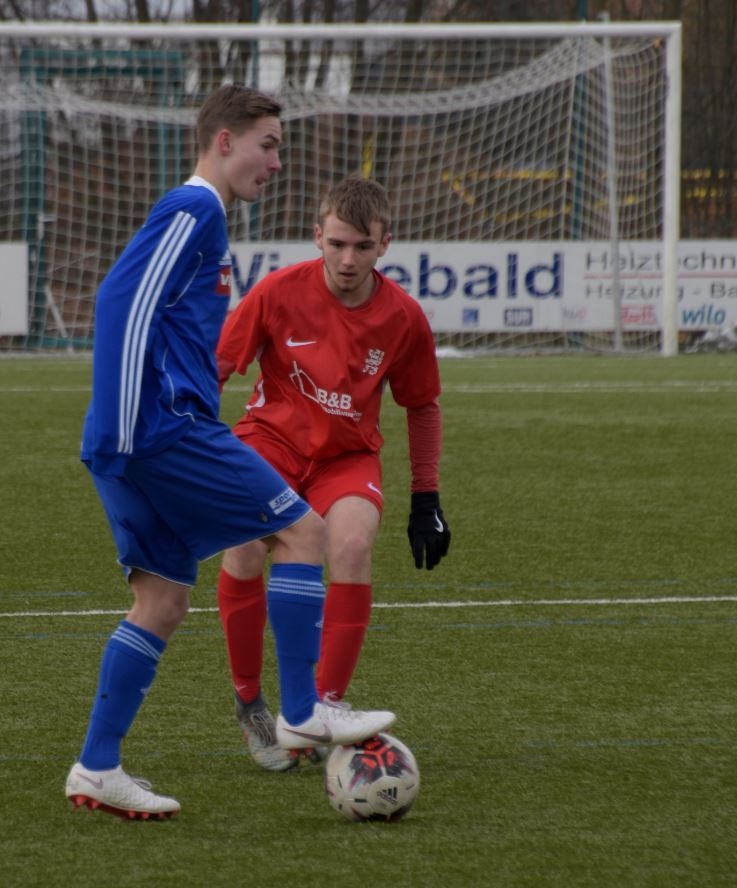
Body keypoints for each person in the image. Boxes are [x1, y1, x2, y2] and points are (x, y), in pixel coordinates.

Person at [65, 87, 395, 821]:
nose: (277, 162)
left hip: (134, 433)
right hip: (158, 429)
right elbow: (122, 300)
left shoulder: (200, 216)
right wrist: (127, 427)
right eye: (268, 144)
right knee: (304, 531)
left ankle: (97, 766)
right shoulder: (196, 209)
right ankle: (305, 709)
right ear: (223, 141)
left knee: (161, 601)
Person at [215, 174, 450, 771]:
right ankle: (252, 707)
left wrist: (427, 499)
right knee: (243, 548)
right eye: (338, 243)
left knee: (349, 545)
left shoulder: (403, 317)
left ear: (384, 245)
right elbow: (214, 367)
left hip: (346, 457)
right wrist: (183, 447)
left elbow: (421, 406)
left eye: (362, 247)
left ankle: (323, 709)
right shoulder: (275, 293)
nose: (348, 259)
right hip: (268, 443)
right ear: (317, 236)